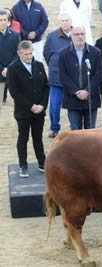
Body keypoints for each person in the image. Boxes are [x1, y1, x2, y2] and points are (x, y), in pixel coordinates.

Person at [7, 40, 49, 177]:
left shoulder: (39, 65)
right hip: (23, 112)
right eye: (26, 54)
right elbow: (14, 92)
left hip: (39, 111)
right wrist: (30, 106)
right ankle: (23, 165)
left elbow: (46, 87)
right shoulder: (13, 69)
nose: (29, 57)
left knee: (38, 137)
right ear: (19, 54)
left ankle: (42, 162)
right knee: (23, 138)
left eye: (31, 53)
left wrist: (42, 105)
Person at [58, 25, 102, 130]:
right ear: (71, 36)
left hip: (91, 99)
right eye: (76, 34)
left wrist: (87, 91)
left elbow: (98, 74)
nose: (80, 37)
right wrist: (76, 91)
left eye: (82, 34)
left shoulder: (95, 52)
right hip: (73, 99)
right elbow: (63, 76)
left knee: (90, 133)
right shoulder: (63, 54)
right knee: (75, 134)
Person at [43, 13, 72, 138]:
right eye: (63, 20)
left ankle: (74, 128)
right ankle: (54, 128)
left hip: (72, 78)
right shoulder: (51, 36)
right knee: (54, 106)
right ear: (59, 22)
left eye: (67, 20)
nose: (65, 23)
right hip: (56, 78)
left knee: (74, 105)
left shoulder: (77, 33)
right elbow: (46, 53)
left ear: (71, 21)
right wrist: (54, 66)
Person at [0, 8, 21, 108]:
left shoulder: (15, 35)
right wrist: (2, 69)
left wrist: (9, 68)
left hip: (12, 70)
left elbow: (18, 53)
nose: (3, 22)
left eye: (5, 20)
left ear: (8, 21)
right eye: (0, 20)